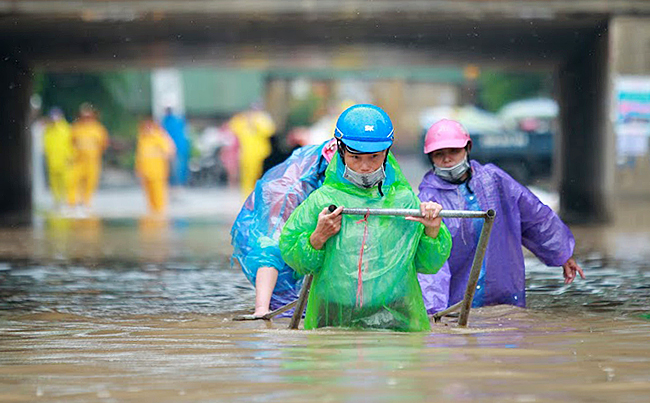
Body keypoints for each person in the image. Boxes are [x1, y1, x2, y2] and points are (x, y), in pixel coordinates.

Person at [279, 104, 452, 332]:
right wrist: (317, 238)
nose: (364, 167)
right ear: (341, 151)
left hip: (397, 320)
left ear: (386, 154)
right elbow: (294, 260)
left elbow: (428, 265)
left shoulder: (404, 201)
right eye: (356, 157)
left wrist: (432, 231)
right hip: (331, 317)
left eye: (374, 157)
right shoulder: (321, 201)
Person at [417, 119, 585, 311]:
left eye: (454, 151)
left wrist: (562, 252)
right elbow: (428, 264)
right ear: (431, 158)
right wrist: (432, 313)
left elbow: (533, 215)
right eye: (439, 154)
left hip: (504, 299)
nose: (447, 160)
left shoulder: (494, 180)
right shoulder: (427, 201)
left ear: (468, 148)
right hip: (455, 308)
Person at [231, 138, 337, 318]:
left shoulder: (358, 157)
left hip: (303, 237)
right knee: (287, 305)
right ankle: (267, 302)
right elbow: (268, 249)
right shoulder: (286, 191)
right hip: (273, 242)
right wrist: (262, 310)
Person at [228, 104, 276, 196]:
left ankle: (260, 196)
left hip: (262, 154)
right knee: (247, 177)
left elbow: (270, 131)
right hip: (246, 153)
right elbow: (233, 128)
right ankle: (247, 197)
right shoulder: (242, 119)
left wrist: (255, 124)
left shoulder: (262, 119)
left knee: (261, 176)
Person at [69, 103, 109, 210]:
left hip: (93, 161)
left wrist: (95, 153)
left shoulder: (98, 129)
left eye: (88, 115)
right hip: (78, 160)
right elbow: (71, 141)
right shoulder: (76, 128)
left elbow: (104, 143)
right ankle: (72, 202)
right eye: (84, 115)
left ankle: (86, 202)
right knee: (74, 180)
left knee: (90, 182)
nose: (86, 118)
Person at [135, 117, 176, 215]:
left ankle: (160, 211)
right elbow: (139, 156)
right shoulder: (142, 139)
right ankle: (152, 212)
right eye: (145, 127)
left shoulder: (159, 137)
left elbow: (169, 152)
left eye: (149, 127)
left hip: (158, 171)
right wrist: (138, 169)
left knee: (158, 192)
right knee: (149, 194)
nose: (147, 129)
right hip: (145, 171)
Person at [43, 107, 74, 210]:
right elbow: (46, 145)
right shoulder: (48, 130)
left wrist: (70, 156)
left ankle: (65, 201)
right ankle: (57, 202)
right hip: (52, 161)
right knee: (54, 183)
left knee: (65, 183)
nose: (54, 119)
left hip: (64, 161)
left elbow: (71, 144)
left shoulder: (66, 129)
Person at [161, 107, 191, 190]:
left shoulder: (166, 121)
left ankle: (175, 185)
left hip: (172, 148)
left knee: (174, 168)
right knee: (178, 167)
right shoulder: (178, 120)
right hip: (180, 147)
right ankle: (178, 184)